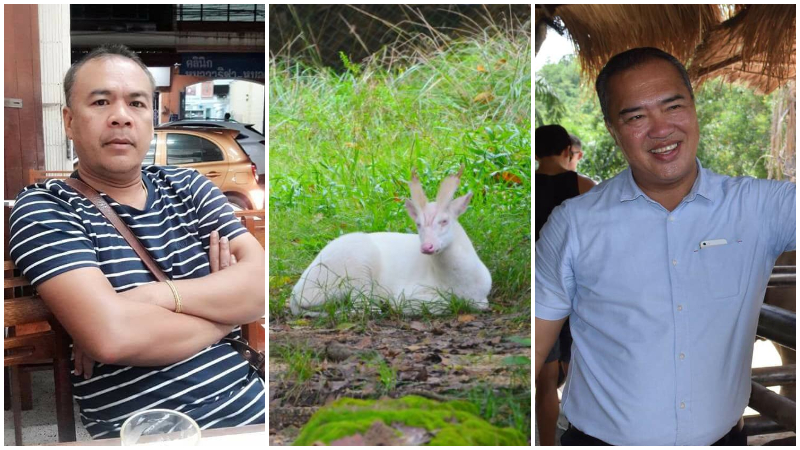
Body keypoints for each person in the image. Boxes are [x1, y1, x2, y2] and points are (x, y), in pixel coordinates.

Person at [535, 47, 795, 446]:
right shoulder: (574, 224)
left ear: (693, 108)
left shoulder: (760, 207)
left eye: (672, 106)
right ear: (612, 128)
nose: (660, 129)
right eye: (636, 116)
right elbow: (530, 349)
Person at [8, 44, 266, 439]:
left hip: (256, 412)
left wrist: (151, 297)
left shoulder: (189, 187)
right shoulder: (48, 207)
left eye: (136, 103)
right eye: (100, 102)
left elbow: (260, 287)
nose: (121, 117)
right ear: (69, 120)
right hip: (146, 432)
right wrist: (227, 314)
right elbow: (113, 336)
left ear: (153, 117)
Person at [534, 125, 595, 445]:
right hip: (578, 293)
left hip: (540, 295)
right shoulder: (586, 187)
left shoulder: (526, 188)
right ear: (567, 151)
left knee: (545, 383)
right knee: (578, 372)